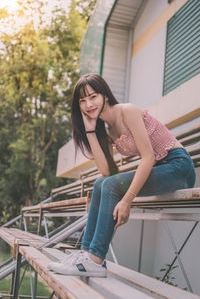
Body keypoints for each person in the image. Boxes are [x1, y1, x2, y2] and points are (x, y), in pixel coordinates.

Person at [48, 73, 196, 277]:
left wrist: (127, 200)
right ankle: (85, 254)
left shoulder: (128, 111)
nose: (88, 104)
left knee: (109, 185)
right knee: (101, 183)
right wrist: (91, 131)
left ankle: (95, 259)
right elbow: (107, 172)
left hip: (179, 167)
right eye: (82, 101)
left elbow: (148, 158)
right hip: (160, 170)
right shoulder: (106, 128)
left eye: (93, 96)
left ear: (105, 96)